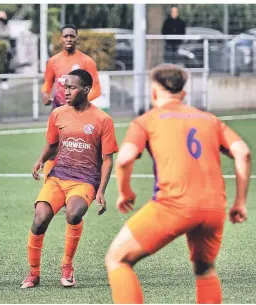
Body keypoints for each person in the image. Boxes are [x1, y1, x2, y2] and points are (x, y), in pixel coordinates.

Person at [105, 64, 251, 303]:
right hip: (214, 208)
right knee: (205, 268)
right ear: (183, 94)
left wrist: (125, 191)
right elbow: (243, 153)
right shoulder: (210, 120)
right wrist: (240, 203)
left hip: (174, 205)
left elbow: (124, 159)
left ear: (153, 92)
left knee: (117, 259)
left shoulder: (146, 121)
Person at [21, 69, 118, 288]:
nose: (66, 92)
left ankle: (67, 266)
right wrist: (40, 159)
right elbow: (53, 143)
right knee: (40, 218)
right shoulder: (58, 114)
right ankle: (34, 273)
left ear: (86, 90)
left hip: (85, 180)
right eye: (65, 87)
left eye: (72, 88)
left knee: (74, 214)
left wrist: (101, 190)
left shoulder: (103, 119)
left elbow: (108, 159)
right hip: (58, 175)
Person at [41, 24, 102, 182]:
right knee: (53, 148)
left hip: (80, 113)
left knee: (79, 149)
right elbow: (47, 84)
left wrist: (79, 101)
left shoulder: (86, 61)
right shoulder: (53, 61)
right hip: (59, 111)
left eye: (72, 36)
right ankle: (49, 186)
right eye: (65, 36)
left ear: (77, 39)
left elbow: (96, 89)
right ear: (60, 39)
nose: (69, 39)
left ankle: (81, 184)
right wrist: (45, 94)